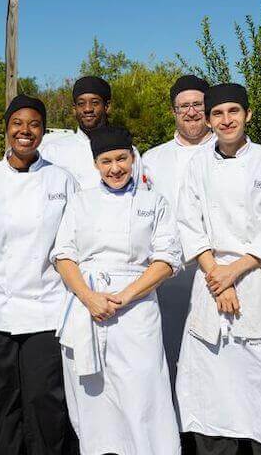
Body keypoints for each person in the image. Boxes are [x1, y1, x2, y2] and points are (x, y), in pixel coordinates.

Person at [175, 83, 261, 454]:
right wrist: (219, 276)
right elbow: (189, 224)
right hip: (211, 282)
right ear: (210, 120)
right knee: (212, 387)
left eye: (233, 111)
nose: (226, 120)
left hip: (256, 281)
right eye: (217, 113)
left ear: (247, 114)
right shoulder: (198, 163)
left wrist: (235, 272)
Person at [0, 94, 79, 454]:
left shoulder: (62, 180)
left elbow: (73, 246)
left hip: (47, 310)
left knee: (45, 401)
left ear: (43, 131)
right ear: (7, 129)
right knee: (1, 401)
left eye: (35, 124)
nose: (26, 131)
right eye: (18, 124)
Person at [52, 125, 183, 455]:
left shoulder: (154, 202)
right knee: (93, 399)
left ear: (133, 156)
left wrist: (124, 297)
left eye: (122, 159)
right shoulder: (81, 201)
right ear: (95, 164)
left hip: (136, 314)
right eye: (106, 161)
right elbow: (63, 255)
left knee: (143, 395)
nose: (115, 168)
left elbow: (167, 259)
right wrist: (89, 297)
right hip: (88, 309)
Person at [142, 75, 215, 400]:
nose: (191, 112)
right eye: (183, 106)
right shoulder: (153, 159)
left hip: (217, 272)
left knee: (214, 357)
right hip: (169, 276)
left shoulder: (228, 150)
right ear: (173, 111)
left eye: (197, 104)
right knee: (169, 352)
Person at [39, 76, 143, 189]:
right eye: (81, 103)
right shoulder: (53, 151)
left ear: (107, 106)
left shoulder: (127, 151)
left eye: (94, 103)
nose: (87, 109)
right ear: (74, 109)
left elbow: (140, 196)